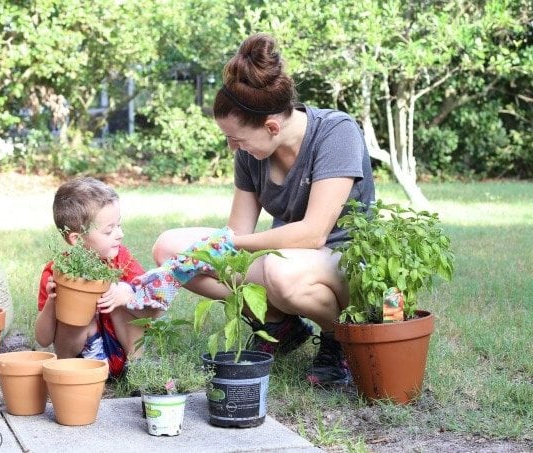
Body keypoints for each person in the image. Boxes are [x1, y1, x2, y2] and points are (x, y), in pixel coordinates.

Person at [152, 33, 375, 386]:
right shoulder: (250, 155)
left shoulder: (337, 132)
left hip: (343, 262)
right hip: (285, 262)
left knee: (278, 271)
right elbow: (237, 233)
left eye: (237, 139)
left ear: (272, 126)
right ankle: (278, 325)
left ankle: (343, 339)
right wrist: (190, 260)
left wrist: (230, 245)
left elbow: (313, 233)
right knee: (169, 248)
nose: (232, 148)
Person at [35, 177, 162, 377]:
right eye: (109, 230)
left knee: (122, 291)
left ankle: (138, 369)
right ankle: (80, 372)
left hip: (122, 351)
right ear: (77, 239)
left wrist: (127, 295)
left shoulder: (122, 259)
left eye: (119, 225)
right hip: (79, 362)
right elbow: (43, 338)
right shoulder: (57, 272)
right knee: (74, 311)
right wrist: (54, 301)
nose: (120, 234)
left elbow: (153, 313)